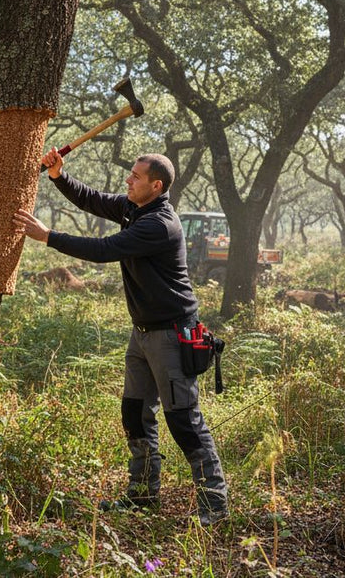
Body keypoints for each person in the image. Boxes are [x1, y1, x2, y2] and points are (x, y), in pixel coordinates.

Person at [13, 150, 228, 526]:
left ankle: (214, 504)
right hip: (142, 334)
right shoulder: (135, 208)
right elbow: (94, 199)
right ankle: (143, 494)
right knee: (134, 413)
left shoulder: (159, 224)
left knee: (184, 421)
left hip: (173, 336)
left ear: (155, 185)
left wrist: (48, 237)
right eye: (130, 175)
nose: (128, 181)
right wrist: (60, 177)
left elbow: (103, 250)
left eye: (135, 177)